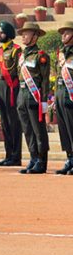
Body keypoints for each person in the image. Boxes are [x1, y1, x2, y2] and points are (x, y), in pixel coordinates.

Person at [16, 22, 50, 174]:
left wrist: (43, 100)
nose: (23, 35)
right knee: (27, 130)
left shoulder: (41, 56)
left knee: (38, 131)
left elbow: (45, 80)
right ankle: (33, 158)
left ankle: (41, 161)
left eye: (27, 33)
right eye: (23, 33)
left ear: (35, 36)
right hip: (22, 96)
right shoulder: (22, 55)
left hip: (34, 96)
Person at [0, 21, 22, 167]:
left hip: (12, 86)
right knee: (4, 122)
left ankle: (16, 156)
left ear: (9, 34)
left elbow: (18, 71)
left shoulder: (16, 50)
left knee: (13, 122)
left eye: (2, 32)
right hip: (0, 85)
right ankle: (8, 154)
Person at [55, 22, 73, 175]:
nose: (63, 36)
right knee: (64, 130)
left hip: (71, 96)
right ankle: (70, 158)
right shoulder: (61, 53)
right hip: (61, 94)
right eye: (63, 33)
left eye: (67, 33)